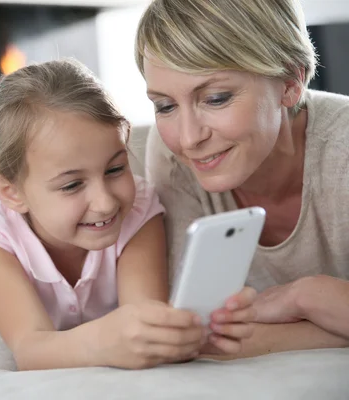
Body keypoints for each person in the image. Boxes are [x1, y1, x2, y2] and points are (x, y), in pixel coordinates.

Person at [0, 59, 255, 370]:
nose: (105, 202)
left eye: (116, 169)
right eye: (72, 185)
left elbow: (143, 320)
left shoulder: (138, 206)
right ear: (12, 193)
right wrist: (101, 343)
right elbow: (31, 349)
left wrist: (186, 334)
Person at [135, 0, 349, 359]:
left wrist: (307, 296)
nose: (189, 138)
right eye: (165, 106)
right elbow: (197, 336)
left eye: (216, 99)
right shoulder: (173, 156)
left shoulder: (341, 153)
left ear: (290, 81)